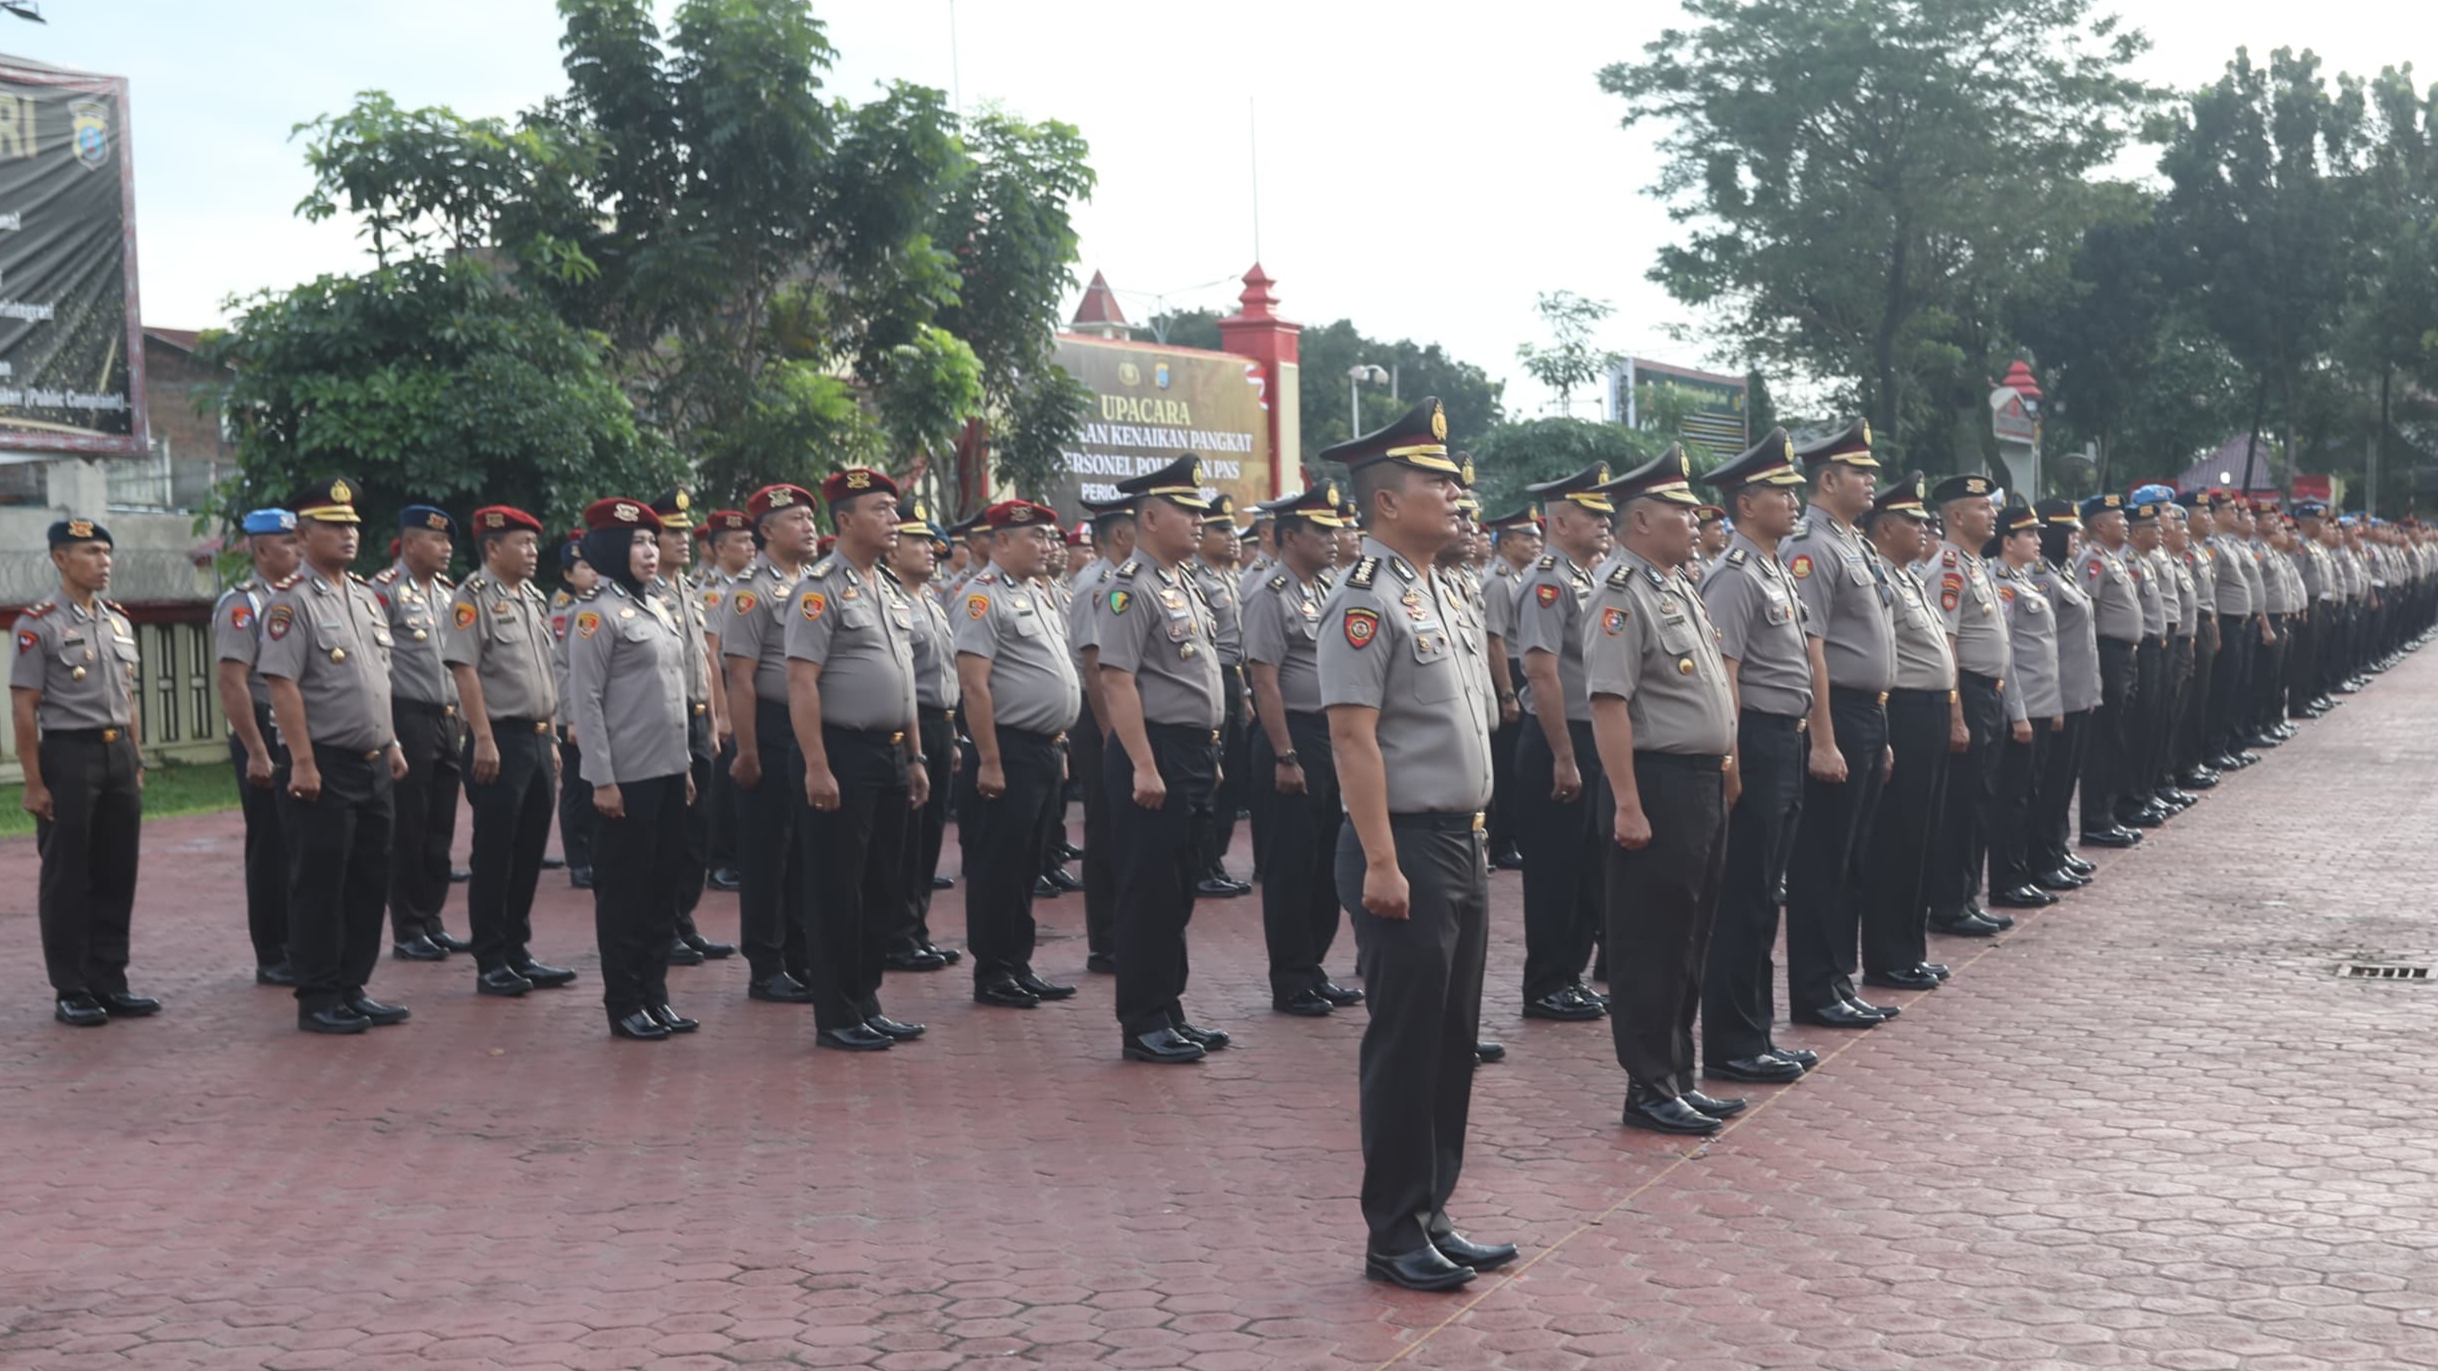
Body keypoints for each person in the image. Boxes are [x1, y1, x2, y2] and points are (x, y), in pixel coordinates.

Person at [1316, 396, 1512, 1293]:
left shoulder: (1442, 588)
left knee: (1451, 1039)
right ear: (1388, 501)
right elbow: (1354, 739)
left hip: (1460, 842)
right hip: (1407, 848)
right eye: (1438, 482)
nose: (1457, 494)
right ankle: (1392, 1230)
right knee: (1404, 1043)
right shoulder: (1362, 602)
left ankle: (1432, 1209)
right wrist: (1383, 860)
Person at [1575, 450, 1744, 1139]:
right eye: (1681, 508)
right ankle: (1647, 1085)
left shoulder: (1675, 585)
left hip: (1699, 781)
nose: (1697, 519)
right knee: (1651, 942)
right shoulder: (1620, 591)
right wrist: (1627, 801)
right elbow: (1609, 704)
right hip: (1657, 784)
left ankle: (1677, 1073)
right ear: (1641, 519)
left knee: (1691, 934)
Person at [257, 480, 412, 1034]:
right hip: (323, 763)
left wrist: (391, 742)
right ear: (302, 534)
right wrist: (300, 760)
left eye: (352, 525)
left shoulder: (366, 596)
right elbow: (283, 685)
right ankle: (318, 995)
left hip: (371, 760)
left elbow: (377, 678)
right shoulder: (290, 602)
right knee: (320, 882)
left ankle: (352, 985)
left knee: (369, 879)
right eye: (334, 525)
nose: (349, 534)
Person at [785, 467, 930, 1052]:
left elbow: (906, 680)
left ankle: (866, 1000)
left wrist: (916, 756)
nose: (894, 519)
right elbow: (800, 682)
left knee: (883, 885)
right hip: (843, 751)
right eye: (881, 509)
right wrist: (817, 765)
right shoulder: (819, 588)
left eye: (894, 509)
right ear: (844, 520)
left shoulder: (887, 587)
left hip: (893, 753)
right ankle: (837, 1012)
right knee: (837, 886)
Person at [1690, 430, 1817, 1085]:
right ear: (1745, 502)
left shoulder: (1772, 566)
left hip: (1784, 738)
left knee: (1766, 892)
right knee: (1744, 894)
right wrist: (1732, 761)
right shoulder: (1734, 574)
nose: (1793, 500)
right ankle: (1734, 1042)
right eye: (1780, 491)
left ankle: (1756, 1032)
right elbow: (1726, 673)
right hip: (1757, 741)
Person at [1094, 454, 1229, 1064]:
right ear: (1150, 517)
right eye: (1188, 511)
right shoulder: (1130, 589)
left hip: (1193, 753)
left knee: (1177, 890)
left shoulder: (1184, 584)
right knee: (1148, 891)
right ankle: (1143, 1021)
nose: (1199, 522)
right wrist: (1144, 765)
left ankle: (1169, 1009)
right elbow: (1116, 682)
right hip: (1155, 752)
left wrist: (1212, 750)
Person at [561, 498, 698, 1040]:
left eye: (651, 541)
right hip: (624, 779)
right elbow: (585, 701)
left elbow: (673, 694)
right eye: (638, 542)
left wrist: (684, 766)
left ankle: (655, 995)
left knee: (662, 891)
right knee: (624, 895)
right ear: (613, 549)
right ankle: (625, 1003)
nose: (649, 551)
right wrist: (602, 779)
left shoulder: (657, 607)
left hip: (666, 772)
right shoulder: (595, 614)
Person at [1779, 419, 1900, 1029]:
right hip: (1838, 713)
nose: (1872, 478)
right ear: (1828, 479)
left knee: (1852, 855)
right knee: (1824, 858)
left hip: (1868, 712)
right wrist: (1823, 738)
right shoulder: (1811, 546)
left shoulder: (1855, 543)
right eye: (1861, 471)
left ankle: (1838, 979)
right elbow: (1813, 648)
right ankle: (1815, 989)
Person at [14, 517, 156, 1028]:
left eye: (106, 553)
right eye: (92, 552)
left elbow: (129, 697)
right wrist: (33, 781)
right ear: (60, 559)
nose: (104, 562)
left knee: (118, 871)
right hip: (69, 757)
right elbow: (25, 708)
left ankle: (109, 981)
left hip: (118, 754)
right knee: (68, 874)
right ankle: (71, 987)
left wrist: (136, 757)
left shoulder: (118, 621)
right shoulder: (39, 624)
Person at [444, 505, 580, 997]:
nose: (531, 552)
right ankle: (491, 958)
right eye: (522, 543)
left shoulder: (532, 598)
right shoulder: (472, 598)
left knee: (528, 853)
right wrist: (481, 737)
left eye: (532, 543)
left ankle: (518, 949)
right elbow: (465, 671)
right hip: (498, 738)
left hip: (538, 739)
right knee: (496, 853)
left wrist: (553, 737)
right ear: (493, 547)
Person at [955, 498, 1084, 1009]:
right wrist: (988, 759)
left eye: (1049, 538)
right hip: (1007, 749)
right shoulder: (981, 597)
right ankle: (993, 971)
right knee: (998, 866)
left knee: (1028, 863)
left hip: (1044, 750)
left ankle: (1019, 963)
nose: (1047, 547)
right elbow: (974, 685)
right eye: (1036, 537)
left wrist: (1061, 742)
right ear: (1002, 541)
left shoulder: (1036, 593)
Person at [1244, 483, 1362, 1018]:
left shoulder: (1324, 589)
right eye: (1322, 530)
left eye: (1336, 528)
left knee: (1322, 867)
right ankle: (1290, 979)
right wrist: (1284, 755)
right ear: (1291, 537)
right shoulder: (1270, 593)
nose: (1335, 538)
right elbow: (1264, 682)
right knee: (1291, 866)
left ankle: (1312, 968)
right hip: (1291, 736)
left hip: (1326, 737)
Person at [1511, 462, 1617, 1023]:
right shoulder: (1548, 581)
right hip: (1561, 739)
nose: (1604, 522)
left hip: (1588, 736)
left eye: (1606, 513)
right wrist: (1564, 756)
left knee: (1584, 867)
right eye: (1591, 513)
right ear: (1559, 520)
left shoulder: (1584, 577)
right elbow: (1542, 672)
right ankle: (1547, 982)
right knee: (1555, 870)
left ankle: (1570, 976)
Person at [1858, 475, 1963, 985]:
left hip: (1931, 711)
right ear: (1884, 528)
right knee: (1897, 839)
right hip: (1904, 712)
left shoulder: (1905, 576)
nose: (1925, 529)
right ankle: (1888, 955)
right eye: (1914, 521)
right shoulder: (1879, 577)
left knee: (1922, 835)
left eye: (1927, 520)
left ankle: (1909, 948)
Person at [723, 483, 821, 1005]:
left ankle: (802, 955)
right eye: (797, 519)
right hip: (770, 724)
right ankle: (767, 964)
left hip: (810, 726)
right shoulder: (750, 590)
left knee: (805, 848)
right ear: (766, 531)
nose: (809, 526)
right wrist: (748, 750)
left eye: (810, 517)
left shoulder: (815, 582)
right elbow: (740, 677)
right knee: (769, 850)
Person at [1916, 474, 2020, 935]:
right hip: (1969, 695)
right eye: (1982, 507)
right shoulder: (1949, 568)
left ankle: (1966, 896)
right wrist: (1956, 715)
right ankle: (1948, 903)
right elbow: (1948, 645)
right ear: (1956, 516)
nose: (1992, 513)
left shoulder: (1977, 566)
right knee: (1960, 804)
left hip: (1989, 695)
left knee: (1979, 799)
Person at [374, 506, 468, 962]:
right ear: (410, 544)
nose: (446, 548)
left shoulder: (448, 595)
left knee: (440, 826)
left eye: (448, 541)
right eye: (436, 540)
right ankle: (408, 926)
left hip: (448, 718)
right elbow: (377, 665)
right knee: (409, 824)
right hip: (407, 716)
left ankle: (432, 918)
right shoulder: (384, 592)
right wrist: (387, 734)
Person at [649, 489, 737, 967]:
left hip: (698, 716)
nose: (683, 539)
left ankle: (683, 918)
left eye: (685, 531)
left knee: (697, 827)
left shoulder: (690, 588)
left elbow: (708, 659)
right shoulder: (645, 591)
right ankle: (664, 924)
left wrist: (719, 715)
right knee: (673, 828)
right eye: (672, 532)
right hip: (669, 719)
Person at [214, 508, 301, 986]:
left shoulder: (298, 599)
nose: (299, 548)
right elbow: (232, 683)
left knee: (301, 843)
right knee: (270, 845)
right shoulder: (243, 605)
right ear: (261, 549)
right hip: (265, 733)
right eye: (288, 542)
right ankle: (273, 951)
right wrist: (256, 751)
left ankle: (300, 941)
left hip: (300, 731)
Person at [891, 498, 962, 971]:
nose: (931, 549)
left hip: (941, 724)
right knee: (906, 838)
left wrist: (952, 736)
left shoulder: (931, 602)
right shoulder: (891, 599)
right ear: (892, 550)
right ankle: (897, 934)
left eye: (930, 541)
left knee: (931, 834)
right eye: (918, 541)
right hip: (905, 728)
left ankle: (917, 928)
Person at [1068, 497, 1137, 974]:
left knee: (1126, 831)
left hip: (1123, 719)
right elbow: (1095, 670)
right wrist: (1115, 738)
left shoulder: (1127, 580)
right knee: (1108, 829)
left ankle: (1122, 934)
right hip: (1102, 721)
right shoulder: (1099, 584)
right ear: (1120, 535)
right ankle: (1106, 941)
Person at [1987, 500, 2065, 909]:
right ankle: (2007, 879)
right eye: (2029, 533)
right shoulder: (2001, 583)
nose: (2038, 539)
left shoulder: (2024, 580)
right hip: (2022, 708)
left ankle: (2024, 872)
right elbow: (2008, 655)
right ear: (2007, 541)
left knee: (2029, 793)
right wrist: (2017, 713)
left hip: (2039, 703)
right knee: (2012, 799)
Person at [2028, 500, 2108, 878]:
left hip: (2078, 692)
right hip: (2058, 695)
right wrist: (2055, 698)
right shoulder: (2043, 578)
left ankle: (2058, 848)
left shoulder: (2064, 574)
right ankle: (2044, 856)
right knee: (2053, 781)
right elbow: (2045, 642)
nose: (2077, 536)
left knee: (2066, 781)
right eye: (2069, 530)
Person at [1189, 495, 1253, 898]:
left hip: (1234, 678)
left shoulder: (1230, 577)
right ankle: (1203, 863)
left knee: (1233, 776)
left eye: (1233, 530)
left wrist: (1243, 690)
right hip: (1212, 677)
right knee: (1212, 777)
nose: (1232, 539)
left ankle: (1217, 858)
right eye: (1222, 530)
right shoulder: (1197, 579)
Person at [2076, 492, 2147, 846]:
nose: (2125, 523)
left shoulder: (2112, 559)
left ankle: (2108, 814)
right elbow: (2088, 614)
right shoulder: (2092, 560)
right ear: (2100, 525)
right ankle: (2095, 821)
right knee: (2102, 741)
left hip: (2124, 655)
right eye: (2118, 518)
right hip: (2107, 655)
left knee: (2117, 737)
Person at [696, 508, 756, 892]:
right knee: (723, 783)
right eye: (741, 541)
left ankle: (743, 855)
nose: (750, 546)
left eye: (752, 540)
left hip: (752, 689)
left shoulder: (753, 584)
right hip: (728, 692)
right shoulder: (711, 592)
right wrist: (721, 713)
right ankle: (721, 860)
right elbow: (710, 656)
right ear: (720, 548)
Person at [1477, 505, 1540, 871]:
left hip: (1519, 669)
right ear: (1507, 542)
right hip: (1509, 671)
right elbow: (1494, 641)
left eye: (1535, 536)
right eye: (1527, 536)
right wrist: (1506, 692)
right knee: (1505, 764)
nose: (1535, 542)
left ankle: (1508, 838)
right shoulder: (1500, 581)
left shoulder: (1518, 577)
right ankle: (1500, 842)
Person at [550, 536, 601, 887]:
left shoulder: (598, 605)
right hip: (573, 715)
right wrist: (571, 717)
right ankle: (578, 860)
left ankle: (595, 853)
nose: (592, 573)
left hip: (597, 712)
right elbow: (562, 668)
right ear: (569, 574)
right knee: (574, 789)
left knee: (595, 783)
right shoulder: (565, 611)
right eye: (584, 567)